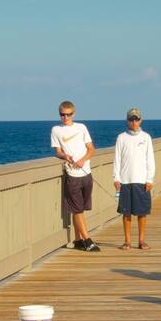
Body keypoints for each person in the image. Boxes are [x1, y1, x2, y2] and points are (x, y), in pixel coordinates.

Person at [51, 100, 100, 251]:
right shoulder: (56, 130)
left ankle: (78, 239)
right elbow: (57, 151)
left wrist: (82, 160)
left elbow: (91, 149)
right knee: (77, 209)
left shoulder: (81, 128)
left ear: (73, 114)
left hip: (86, 173)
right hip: (72, 174)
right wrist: (65, 156)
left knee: (81, 208)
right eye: (62, 115)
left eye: (68, 115)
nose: (65, 118)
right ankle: (88, 240)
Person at [113, 108, 156, 250]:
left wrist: (149, 179)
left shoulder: (146, 137)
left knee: (142, 212)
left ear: (140, 120)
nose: (134, 122)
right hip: (125, 180)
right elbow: (117, 159)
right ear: (127, 121)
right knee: (126, 213)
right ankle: (127, 241)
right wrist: (116, 178)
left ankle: (142, 240)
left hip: (141, 180)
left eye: (136, 119)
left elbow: (150, 159)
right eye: (131, 119)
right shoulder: (121, 137)